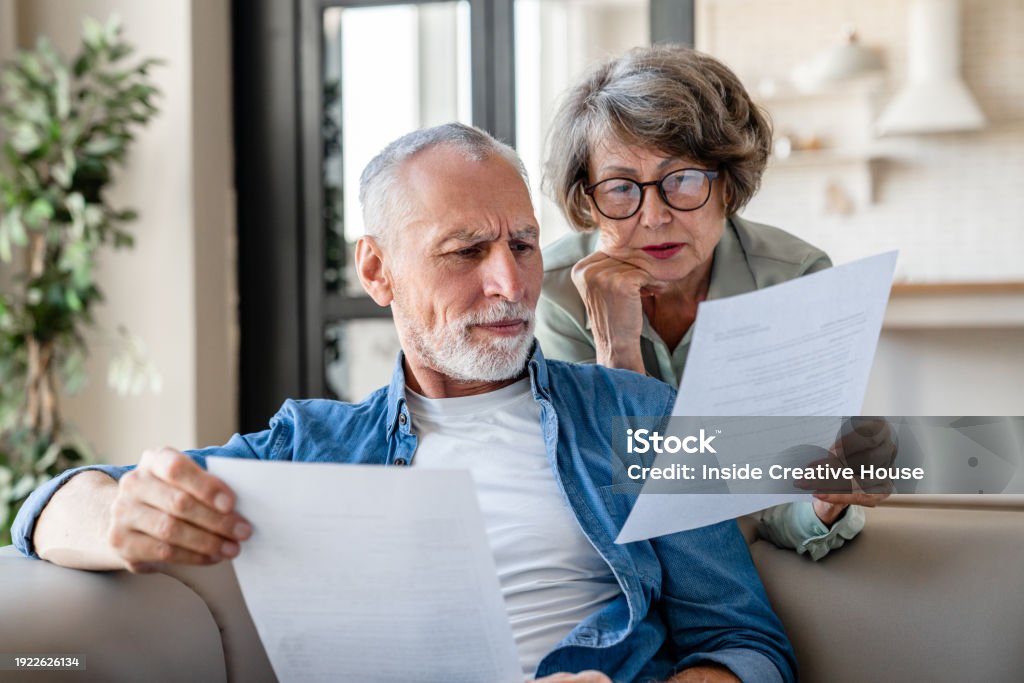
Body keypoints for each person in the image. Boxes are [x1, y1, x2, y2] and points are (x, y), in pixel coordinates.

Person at [14, 124, 795, 683]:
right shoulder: (313, 447)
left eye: (523, 244)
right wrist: (118, 518)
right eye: (467, 252)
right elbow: (47, 505)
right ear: (378, 270)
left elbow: (745, 643)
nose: (511, 284)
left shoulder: (638, 415)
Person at [536, 45, 892, 560]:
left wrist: (825, 501)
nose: (654, 216)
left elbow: (772, 500)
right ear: (587, 200)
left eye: (681, 179)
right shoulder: (555, 292)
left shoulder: (793, 282)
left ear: (727, 182)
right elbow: (600, 501)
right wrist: (617, 352)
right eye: (619, 188)